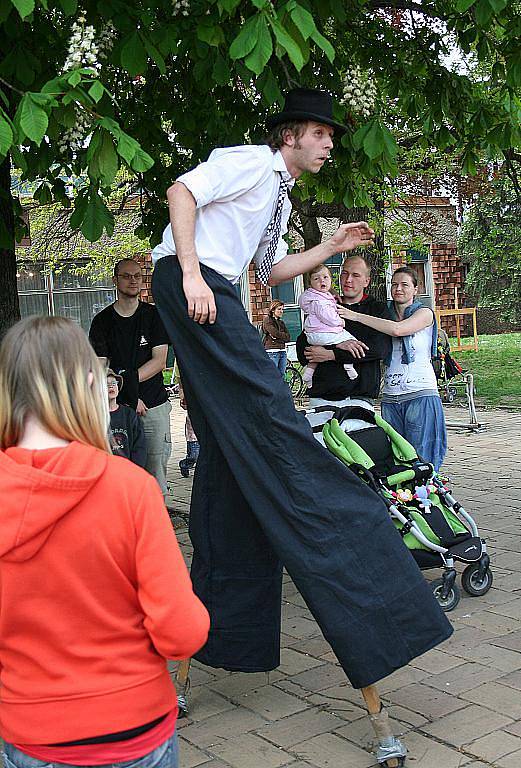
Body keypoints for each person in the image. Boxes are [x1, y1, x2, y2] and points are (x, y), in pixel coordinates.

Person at [151, 88, 451, 697]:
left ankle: (226, 634)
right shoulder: (251, 162)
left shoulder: (280, 199)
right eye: (323, 134)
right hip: (195, 284)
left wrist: (333, 248)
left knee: (227, 459)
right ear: (291, 134)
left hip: (220, 287)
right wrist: (188, 274)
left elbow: (268, 272)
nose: (331, 145)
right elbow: (181, 192)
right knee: (273, 415)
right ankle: (347, 513)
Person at [0, 316, 209, 768]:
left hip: (32, 732)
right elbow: (181, 632)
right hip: (134, 725)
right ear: (91, 383)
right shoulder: (130, 488)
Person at [340, 265, 448, 470]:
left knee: (422, 458)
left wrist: (355, 315)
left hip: (420, 393)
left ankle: (427, 498)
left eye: (405, 284)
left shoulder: (424, 313)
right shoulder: (383, 315)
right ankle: (404, 499)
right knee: (398, 457)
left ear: (415, 289)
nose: (398, 288)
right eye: (394, 284)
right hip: (391, 397)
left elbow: (398, 330)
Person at [89, 258, 172, 499]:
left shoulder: (154, 316)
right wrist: (129, 397)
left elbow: (159, 361)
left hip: (153, 405)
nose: (133, 280)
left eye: (137, 275)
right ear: (115, 280)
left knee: (155, 473)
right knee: (120, 473)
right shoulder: (102, 322)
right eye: (126, 275)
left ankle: (156, 528)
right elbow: (101, 367)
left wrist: (130, 387)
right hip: (117, 409)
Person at [296, 254, 391, 406]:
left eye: (355, 275)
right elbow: (303, 348)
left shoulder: (377, 309)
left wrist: (332, 354)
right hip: (322, 396)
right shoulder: (324, 304)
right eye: (345, 273)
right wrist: (336, 345)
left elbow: (378, 349)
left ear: (366, 281)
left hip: (359, 398)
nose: (348, 280)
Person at [298, 263, 359, 386]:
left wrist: (332, 295)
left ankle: (309, 373)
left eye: (325, 277)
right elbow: (329, 318)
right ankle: (348, 364)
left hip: (313, 334)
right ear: (311, 283)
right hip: (324, 332)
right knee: (351, 341)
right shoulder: (320, 302)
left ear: (331, 280)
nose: (322, 280)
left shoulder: (314, 296)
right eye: (316, 278)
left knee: (318, 353)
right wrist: (341, 321)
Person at [107, 368, 147, 467]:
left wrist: (135, 469)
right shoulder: (95, 416)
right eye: (106, 384)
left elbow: (139, 446)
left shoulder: (129, 415)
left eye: (114, 383)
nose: (111, 386)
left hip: (128, 470)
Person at [262, 300, 291, 375]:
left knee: (281, 375)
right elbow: (274, 333)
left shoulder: (281, 322)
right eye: (279, 309)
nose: (281, 311)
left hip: (282, 351)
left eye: (282, 309)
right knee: (273, 375)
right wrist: (281, 336)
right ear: (273, 310)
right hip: (272, 351)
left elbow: (288, 337)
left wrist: (279, 337)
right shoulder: (267, 320)